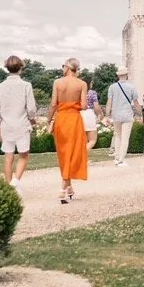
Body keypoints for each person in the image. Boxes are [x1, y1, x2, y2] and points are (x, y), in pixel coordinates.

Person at [0, 55, 39, 184]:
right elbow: (30, 108)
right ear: (21, 68)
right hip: (21, 124)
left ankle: (9, 184)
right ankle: (16, 180)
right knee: (23, 155)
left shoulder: (0, 86)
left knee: (8, 157)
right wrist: (32, 119)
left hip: (6, 125)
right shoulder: (26, 85)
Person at [50, 57, 90, 203]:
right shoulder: (82, 84)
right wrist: (75, 105)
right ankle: (64, 187)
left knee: (63, 152)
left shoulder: (57, 82)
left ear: (67, 67)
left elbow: (53, 103)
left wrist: (49, 120)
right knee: (72, 152)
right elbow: (85, 106)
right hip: (74, 119)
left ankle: (67, 187)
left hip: (61, 119)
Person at [106, 68, 138, 166]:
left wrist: (107, 115)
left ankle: (116, 157)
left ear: (118, 76)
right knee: (125, 138)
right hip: (127, 115)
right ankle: (121, 159)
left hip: (116, 115)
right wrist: (140, 114)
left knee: (118, 136)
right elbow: (136, 103)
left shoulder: (112, 87)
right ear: (127, 75)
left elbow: (109, 102)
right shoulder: (132, 87)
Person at [85, 82, 102, 148]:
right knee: (92, 140)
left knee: (84, 139)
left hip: (79, 114)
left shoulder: (77, 92)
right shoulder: (92, 93)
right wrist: (100, 114)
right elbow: (96, 106)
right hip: (89, 113)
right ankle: (82, 154)